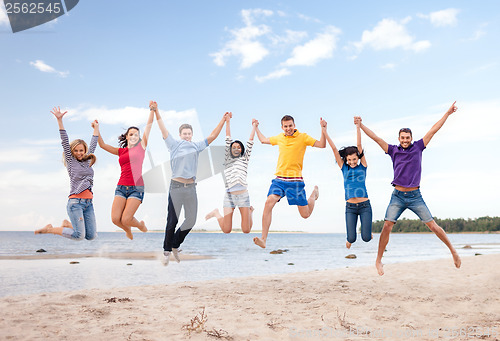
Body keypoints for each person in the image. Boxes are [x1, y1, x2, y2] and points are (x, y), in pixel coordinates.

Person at [358, 101, 461, 275]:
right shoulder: (392, 150)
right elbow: (376, 138)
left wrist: (447, 113)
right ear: (399, 139)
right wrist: (360, 125)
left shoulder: (419, 147)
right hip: (397, 196)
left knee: (433, 226)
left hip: (415, 196)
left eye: (407, 138)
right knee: (387, 226)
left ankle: (453, 251)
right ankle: (378, 260)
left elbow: (433, 130)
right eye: (402, 138)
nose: (405, 140)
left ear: (410, 138)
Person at [152, 101, 228, 265]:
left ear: (192, 135)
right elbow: (162, 129)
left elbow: (213, 136)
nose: (187, 136)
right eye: (184, 134)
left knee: (191, 220)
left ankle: (175, 244)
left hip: (191, 188)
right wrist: (157, 111)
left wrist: (222, 120)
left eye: (189, 133)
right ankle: (166, 251)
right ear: (180, 135)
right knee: (172, 220)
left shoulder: (196, 146)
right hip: (176, 187)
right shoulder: (173, 145)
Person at [252, 115, 326, 248]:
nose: (288, 128)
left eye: (290, 125)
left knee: (305, 215)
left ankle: (314, 194)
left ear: (294, 125)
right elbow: (263, 140)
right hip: (279, 180)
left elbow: (322, 144)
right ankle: (263, 238)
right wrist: (256, 127)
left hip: (295, 181)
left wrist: (323, 129)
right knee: (269, 202)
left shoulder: (303, 137)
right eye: (285, 126)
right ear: (282, 127)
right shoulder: (279, 137)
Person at [35, 107, 98, 240]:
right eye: (76, 151)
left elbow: (93, 144)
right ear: (72, 152)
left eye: (81, 150)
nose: (79, 153)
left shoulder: (88, 161)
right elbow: (64, 140)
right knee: (79, 236)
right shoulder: (71, 162)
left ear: (85, 150)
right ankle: (50, 229)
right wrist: (59, 120)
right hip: (75, 202)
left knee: (91, 236)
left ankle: (67, 225)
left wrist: (96, 129)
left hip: (89, 203)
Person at [95, 103, 154, 240]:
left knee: (126, 218)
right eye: (131, 134)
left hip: (136, 188)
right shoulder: (120, 151)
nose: (134, 136)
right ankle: (127, 229)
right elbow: (102, 145)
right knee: (116, 219)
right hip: (121, 187)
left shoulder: (141, 147)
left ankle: (140, 226)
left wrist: (152, 110)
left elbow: (149, 126)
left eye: (136, 135)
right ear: (127, 136)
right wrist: (96, 129)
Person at [323, 117, 372, 249]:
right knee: (351, 238)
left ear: (358, 157)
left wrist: (358, 126)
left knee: (366, 238)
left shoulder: (363, 166)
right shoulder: (344, 167)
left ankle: (368, 232)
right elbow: (333, 149)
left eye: (354, 159)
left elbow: (359, 145)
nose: (352, 162)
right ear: (346, 159)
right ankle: (350, 239)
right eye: (349, 159)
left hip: (364, 206)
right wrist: (324, 131)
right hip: (350, 207)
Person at [205, 113, 256, 233]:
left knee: (246, 230)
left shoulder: (245, 159)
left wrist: (254, 126)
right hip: (229, 196)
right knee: (226, 229)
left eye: (239, 147)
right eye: (234, 147)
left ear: (242, 150)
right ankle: (216, 213)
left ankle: (250, 212)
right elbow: (228, 137)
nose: (236, 148)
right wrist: (227, 121)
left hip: (243, 196)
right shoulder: (228, 159)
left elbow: (250, 142)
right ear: (230, 149)